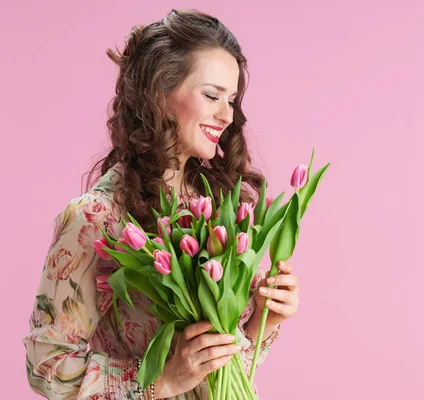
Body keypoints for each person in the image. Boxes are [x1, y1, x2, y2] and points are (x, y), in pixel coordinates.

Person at [23, 8, 300, 399]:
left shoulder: (216, 207)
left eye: (232, 99)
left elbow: (224, 366)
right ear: (159, 94)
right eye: (211, 96)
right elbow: (46, 366)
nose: (227, 115)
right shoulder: (95, 217)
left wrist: (263, 319)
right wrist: (160, 381)